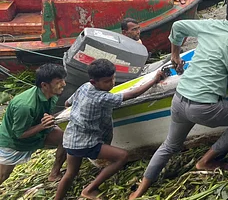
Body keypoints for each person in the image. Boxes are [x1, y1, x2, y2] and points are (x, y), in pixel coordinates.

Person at [129, 0, 228, 199]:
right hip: (205, 106)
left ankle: (139, 191)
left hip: (179, 99)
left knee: (170, 146)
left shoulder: (210, 25)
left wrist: (175, 54)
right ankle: (206, 160)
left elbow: (178, 26)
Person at [55, 60, 166, 200]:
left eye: (113, 78)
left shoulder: (84, 87)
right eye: (108, 81)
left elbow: (67, 103)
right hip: (86, 142)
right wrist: (154, 80)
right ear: (94, 82)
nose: (112, 83)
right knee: (122, 156)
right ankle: (90, 189)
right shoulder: (102, 97)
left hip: (70, 139)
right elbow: (131, 95)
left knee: (70, 174)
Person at [0, 64, 67, 185]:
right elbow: (19, 134)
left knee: (67, 139)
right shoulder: (25, 106)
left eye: (63, 80)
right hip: (14, 142)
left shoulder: (52, 95)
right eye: (58, 82)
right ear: (44, 85)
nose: (64, 84)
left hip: (38, 132)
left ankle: (54, 174)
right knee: (3, 175)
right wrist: (42, 126)